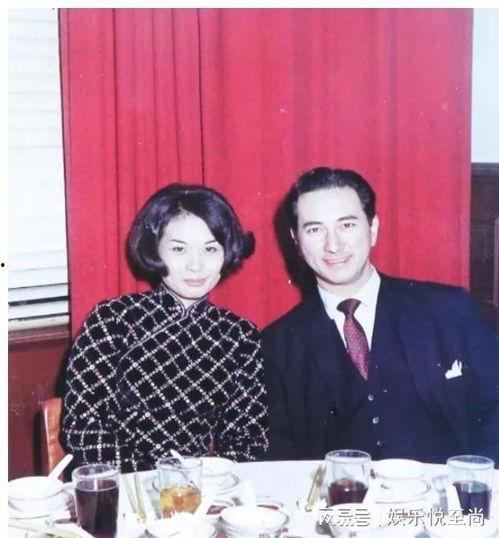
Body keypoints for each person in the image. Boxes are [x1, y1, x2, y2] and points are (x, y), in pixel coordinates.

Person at [263, 166, 499, 464]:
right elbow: (281, 456)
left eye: (347, 225)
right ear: (296, 240)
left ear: (373, 228)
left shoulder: (450, 309)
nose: (333, 245)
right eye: (314, 229)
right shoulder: (277, 344)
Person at [62, 184, 268, 472]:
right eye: (179, 249)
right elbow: (83, 429)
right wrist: (158, 480)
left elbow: (248, 438)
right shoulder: (113, 320)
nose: (196, 266)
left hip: (202, 489)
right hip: (126, 485)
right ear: (154, 249)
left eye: (210, 249)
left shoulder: (239, 335)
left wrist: (204, 480)